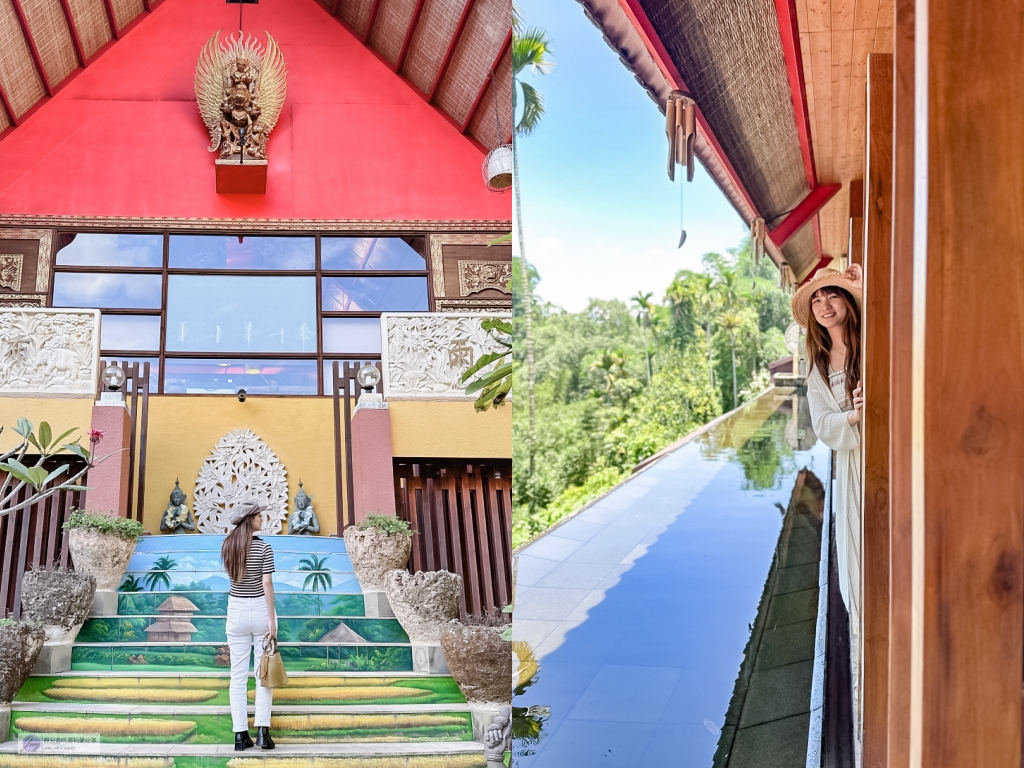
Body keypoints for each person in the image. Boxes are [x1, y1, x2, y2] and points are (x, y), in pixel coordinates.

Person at [791, 264, 864, 626]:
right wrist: (853, 416)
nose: (825, 304)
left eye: (833, 293)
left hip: (892, 450)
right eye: (817, 299)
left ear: (848, 299)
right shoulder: (817, 366)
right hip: (854, 461)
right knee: (859, 535)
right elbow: (821, 424)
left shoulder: (875, 343)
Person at [220, 499, 277, 751]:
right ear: (249, 519)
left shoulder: (227, 546)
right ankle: (263, 732)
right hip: (259, 609)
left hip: (236, 610)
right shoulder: (264, 548)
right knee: (263, 674)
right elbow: (267, 584)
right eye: (258, 515)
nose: (261, 519)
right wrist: (272, 618)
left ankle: (240, 736)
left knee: (238, 676)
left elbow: (234, 579)